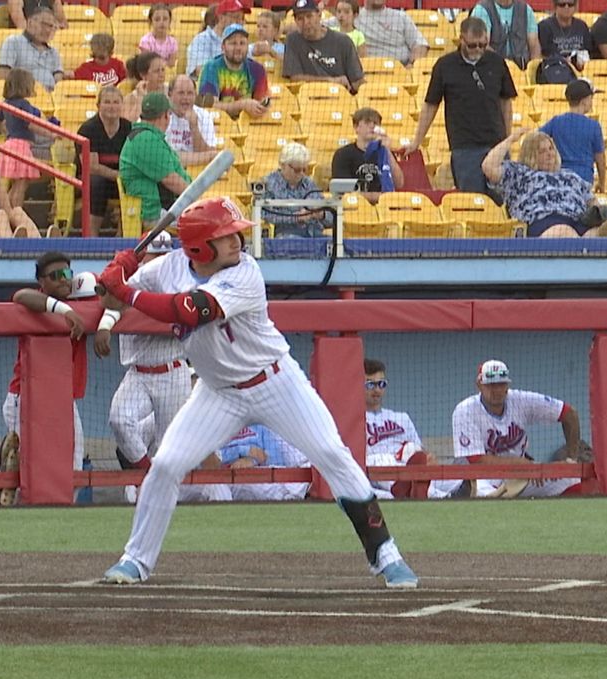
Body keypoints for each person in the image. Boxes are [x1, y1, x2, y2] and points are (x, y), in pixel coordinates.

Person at [96, 197, 419, 588]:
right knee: (165, 465)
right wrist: (117, 271)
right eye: (226, 236)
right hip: (218, 393)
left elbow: (190, 309)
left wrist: (127, 291)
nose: (238, 241)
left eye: (236, 234)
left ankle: (387, 554)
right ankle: (135, 560)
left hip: (275, 382)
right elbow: (107, 294)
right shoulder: (167, 267)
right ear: (199, 247)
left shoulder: (245, 274)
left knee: (333, 454)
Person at [97, 234, 189, 475]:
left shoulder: (177, 280)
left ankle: (160, 486)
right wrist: (105, 326)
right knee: (120, 419)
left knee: (169, 444)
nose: (157, 261)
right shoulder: (132, 281)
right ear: (141, 256)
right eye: (152, 255)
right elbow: (113, 301)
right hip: (138, 373)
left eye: (162, 255)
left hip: (172, 372)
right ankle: (147, 473)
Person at [437, 359, 581, 499]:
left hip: (519, 475)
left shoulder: (521, 400)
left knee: (570, 478)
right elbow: (477, 460)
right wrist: (523, 465)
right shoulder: (465, 410)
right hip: (478, 477)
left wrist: (571, 461)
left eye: (501, 384)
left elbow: (569, 413)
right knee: (480, 492)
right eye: (491, 385)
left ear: (507, 385)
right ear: (479, 385)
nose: (497, 390)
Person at [409, 18, 517, 197]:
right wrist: (417, 141)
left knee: (501, 201)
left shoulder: (497, 63)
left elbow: (506, 102)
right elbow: (431, 105)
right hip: (464, 149)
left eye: (482, 45)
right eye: (472, 45)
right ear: (461, 39)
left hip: (496, 145)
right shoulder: (444, 66)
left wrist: (506, 142)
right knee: (471, 201)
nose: (478, 50)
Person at [6, 251, 90, 477]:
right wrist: (66, 310)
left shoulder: (84, 301)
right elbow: (20, 296)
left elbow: (111, 299)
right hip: (25, 396)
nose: (63, 279)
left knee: (74, 460)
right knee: (31, 468)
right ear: (42, 282)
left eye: (67, 273)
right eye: (55, 275)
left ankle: (67, 513)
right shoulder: (36, 301)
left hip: (62, 397)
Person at [483, 127, 601, 237]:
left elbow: (590, 199)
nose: (549, 154)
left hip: (577, 220)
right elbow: (488, 166)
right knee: (564, 232)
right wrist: (510, 140)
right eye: (542, 151)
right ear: (530, 155)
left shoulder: (570, 175)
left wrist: (597, 212)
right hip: (543, 220)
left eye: (551, 149)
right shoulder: (518, 174)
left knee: (600, 230)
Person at [363, 358, 434, 500]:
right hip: (373, 468)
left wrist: (428, 458)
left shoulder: (401, 417)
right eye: (370, 385)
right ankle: (405, 486)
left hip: (403, 464)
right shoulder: (353, 420)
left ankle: (414, 488)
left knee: (413, 449)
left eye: (381, 384)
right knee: (380, 460)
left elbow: (419, 452)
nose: (377, 390)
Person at [119, 92, 192, 225]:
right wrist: (198, 200)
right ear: (165, 115)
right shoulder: (146, 139)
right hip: (158, 215)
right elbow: (170, 180)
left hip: (170, 210)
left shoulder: (151, 137)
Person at [0, 68, 56, 214]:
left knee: (17, 184)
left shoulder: (6, 103)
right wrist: (51, 134)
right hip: (20, 146)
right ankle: (16, 213)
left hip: (9, 145)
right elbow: (31, 124)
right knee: (21, 184)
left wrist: (6, 132)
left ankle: (7, 213)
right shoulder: (24, 104)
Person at [76, 85, 131, 236]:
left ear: (122, 105)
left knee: (136, 183)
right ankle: (91, 236)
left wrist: (123, 177)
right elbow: (91, 167)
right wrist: (118, 175)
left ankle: (123, 235)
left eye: (115, 102)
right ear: (98, 105)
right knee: (97, 182)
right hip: (91, 181)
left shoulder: (129, 128)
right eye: (107, 102)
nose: (112, 107)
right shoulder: (88, 129)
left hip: (120, 178)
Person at [282, 0, 364, 92]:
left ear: (319, 15)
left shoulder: (343, 42)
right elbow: (295, 78)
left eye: (309, 16)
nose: (305, 23)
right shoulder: (293, 40)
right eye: (300, 19)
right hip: (308, 98)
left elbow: (357, 81)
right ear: (295, 21)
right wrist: (330, 81)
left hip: (339, 98)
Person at [540, 78, 606, 188]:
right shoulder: (593, 126)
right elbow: (600, 159)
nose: (591, 102)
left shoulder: (556, 121)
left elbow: (535, 138)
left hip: (560, 178)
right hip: (584, 180)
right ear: (584, 101)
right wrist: (602, 183)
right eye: (591, 98)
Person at [197, 23, 270, 119]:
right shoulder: (210, 68)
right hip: (218, 125)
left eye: (242, 43)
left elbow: (261, 104)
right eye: (233, 43)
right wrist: (241, 105)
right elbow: (208, 106)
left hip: (248, 126)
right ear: (223, 47)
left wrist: (262, 107)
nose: (238, 48)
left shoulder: (258, 70)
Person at [332, 107, 403, 203]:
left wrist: (387, 151)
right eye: (367, 122)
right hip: (354, 206)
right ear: (356, 127)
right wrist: (380, 196)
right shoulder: (343, 154)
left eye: (375, 123)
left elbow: (399, 183)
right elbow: (345, 191)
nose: (372, 126)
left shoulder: (383, 153)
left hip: (382, 207)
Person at [263, 141, 328, 238]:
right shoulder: (269, 184)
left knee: (340, 246)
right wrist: (295, 218)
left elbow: (331, 217)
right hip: (286, 237)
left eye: (304, 170)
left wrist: (322, 214)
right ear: (283, 165)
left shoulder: (309, 184)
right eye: (297, 170)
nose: (301, 174)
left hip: (315, 234)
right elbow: (265, 216)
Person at [0, 6, 64, 91]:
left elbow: (58, 80)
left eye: (51, 26)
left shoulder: (54, 52)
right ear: (30, 23)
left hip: (49, 98)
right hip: (23, 95)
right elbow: (3, 74)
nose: (48, 30)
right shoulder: (13, 42)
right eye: (44, 25)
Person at [165, 74, 219, 167]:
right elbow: (163, 156)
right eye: (181, 93)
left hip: (197, 171)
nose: (186, 98)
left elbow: (210, 154)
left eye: (190, 93)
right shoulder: (161, 116)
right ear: (170, 94)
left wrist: (194, 127)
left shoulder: (204, 116)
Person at [470, 0, 540, 70]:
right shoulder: (481, 10)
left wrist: (534, 71)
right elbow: (482, 46)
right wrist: (504, 64)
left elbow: (534, 45)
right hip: (493, 69)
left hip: (522, 70)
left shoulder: (526, 9)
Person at [354, 0, 427, 65]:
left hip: (401, 72)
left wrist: (411, 65)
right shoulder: (354, 18)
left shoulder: (401, 17)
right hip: (368, 71)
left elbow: (421, 45)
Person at [187, 0, 248, 76]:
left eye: (242, 18)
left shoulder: (242, 41)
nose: (240, 23)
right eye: (236, 17)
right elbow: (201, 71)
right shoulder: (201, 40)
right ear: (221, 18)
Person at [537, 0, 592, 75]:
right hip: (555, 71)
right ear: (555, 6)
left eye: (570, 4)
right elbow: (543, 56)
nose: (566, 7)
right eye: (562, 4)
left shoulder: (582, 26)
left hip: (580, 71)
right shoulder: (544, 26)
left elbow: (588, 51)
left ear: (575, 7)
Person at [122, 51, 168, 123]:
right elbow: (127, 125)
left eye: (163, 70)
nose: (161, 74)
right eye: (156, 71)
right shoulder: (131, 98)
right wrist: (141, 98)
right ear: (143, 75)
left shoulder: (171, 92)